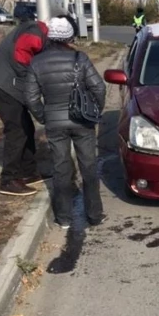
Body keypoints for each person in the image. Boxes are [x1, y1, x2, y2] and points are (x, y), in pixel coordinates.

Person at [25, 15, 107, 230]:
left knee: (61, 168)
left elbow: (31, 98)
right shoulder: (80, 59)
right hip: (82, 121)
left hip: (55, 122)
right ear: (70, 37)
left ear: (49, 37)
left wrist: (43, 117)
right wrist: (95, 110)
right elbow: (99, 87)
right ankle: (95, 215)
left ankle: (64, 218)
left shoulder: (36, 62)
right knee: (88, 167)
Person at [0, 10, 49, 196]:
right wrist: (39, 105)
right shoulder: (35, 36)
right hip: (2, 85)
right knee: (17, 129)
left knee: (27, 127)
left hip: (10, 82)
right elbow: (23, 67)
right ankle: (9, 180)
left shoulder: (38, 33)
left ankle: (28, 172)